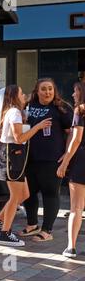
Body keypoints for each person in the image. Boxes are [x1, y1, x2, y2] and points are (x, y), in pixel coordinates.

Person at [0, 85, 51, 247]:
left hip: (15, 158)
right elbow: (19, 138)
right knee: (15, 197)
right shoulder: (14, 112)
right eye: (22, 93)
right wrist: (38, 127)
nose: (24, 95)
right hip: (12, 158)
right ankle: (5, 233)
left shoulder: (14, 112)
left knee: (24, 194)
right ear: (15, 96)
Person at [18, 78, 73, 242]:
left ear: (54, 90)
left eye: (50, 88)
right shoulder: (29, 104)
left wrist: (67, 153)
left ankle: (47, 230)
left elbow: (72, 132)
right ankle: (32, 225)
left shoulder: (61, 108)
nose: (47, 92)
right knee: (29, 193)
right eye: (43, 89)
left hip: (51, 159)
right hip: (30, 158)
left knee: (50, 194)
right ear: (37, 91)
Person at [57, 82, 85, 258]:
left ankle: (71, 247)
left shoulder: (80, 110)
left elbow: (75, 139)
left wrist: (64, 162)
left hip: (82, 159)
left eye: (75, 91)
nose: (73, 95)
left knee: (76, 207)